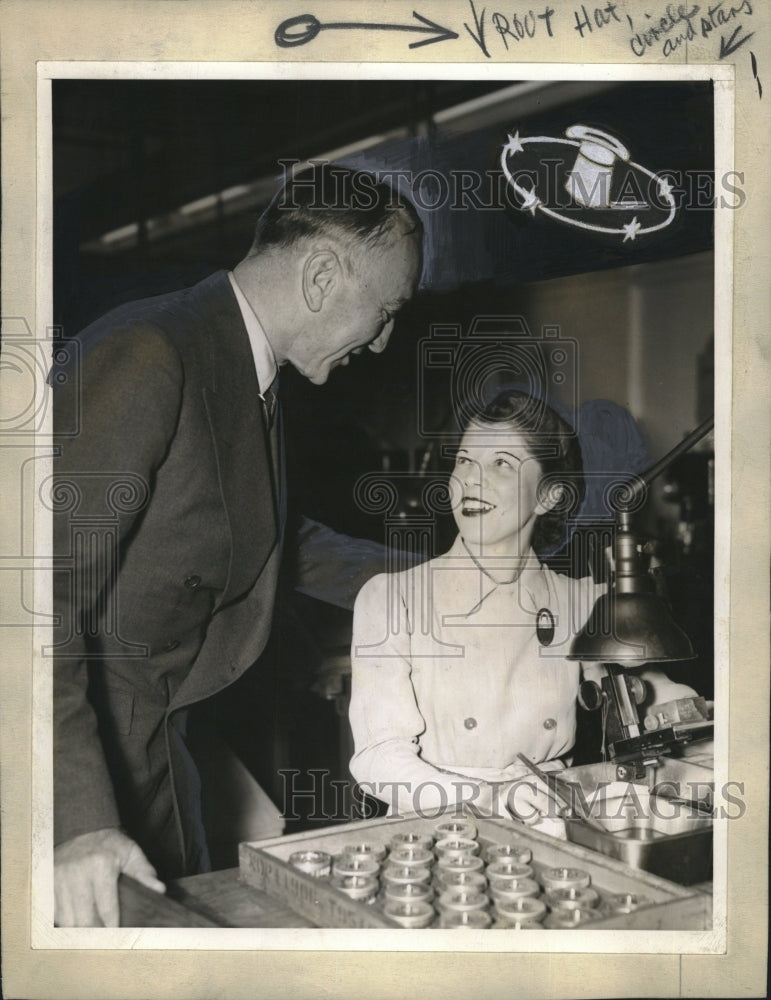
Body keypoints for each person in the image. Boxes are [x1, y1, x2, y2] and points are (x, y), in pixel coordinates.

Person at [52, 163, 423, 926]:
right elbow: (28, 600)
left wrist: (451, 579)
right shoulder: (149, 354)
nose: (383, 343)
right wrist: (77, 819)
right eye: (384, 312)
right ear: (321, 274)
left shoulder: (242, 369)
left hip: (160, 749)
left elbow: (277, 545)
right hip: (79, 772)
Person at [349, 389, 696, 825]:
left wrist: (708, 719)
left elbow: (655, 700)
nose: (471, 481)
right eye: (463, 461)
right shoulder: (392, 598)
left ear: (548, 495)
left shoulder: (582, 601)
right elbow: (378, 757)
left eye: (500, 464)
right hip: (437, 826)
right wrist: (492, 798)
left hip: (552, 818)